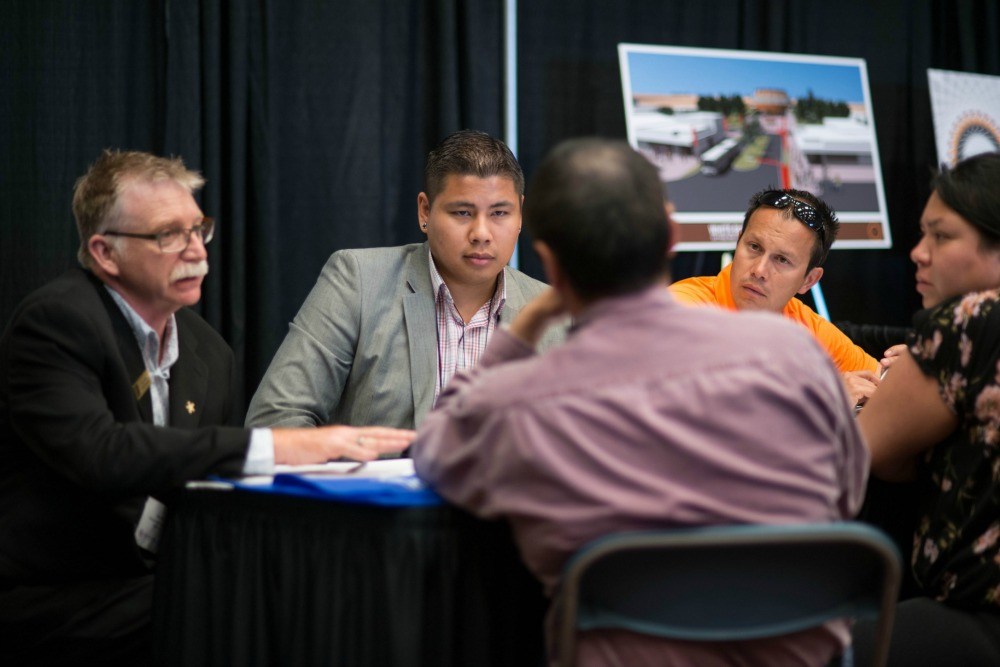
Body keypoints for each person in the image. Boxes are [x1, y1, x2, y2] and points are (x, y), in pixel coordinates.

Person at [412, 138, 868, 666]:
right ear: (671, 234)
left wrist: (524, 331)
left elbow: (435, 452)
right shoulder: (800, 357)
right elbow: (847, 493)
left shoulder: (524, 399)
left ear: (548, 262)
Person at [0, 150, 413, 665]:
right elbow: (101, 453)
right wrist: (281, 445)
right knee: (243, 617)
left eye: (199, 230)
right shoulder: (58, 321)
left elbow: (203, 485)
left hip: (162, 576)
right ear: (105, 253)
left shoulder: (208, 352)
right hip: (61, 591)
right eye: (167, 235)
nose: (196, 252)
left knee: (309, 597)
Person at [245, 129, 557, 432]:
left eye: (500, 213)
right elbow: (275, 417)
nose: (481, 234)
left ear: (520, 216)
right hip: (375, 485)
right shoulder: (358, 281)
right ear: (425, 210)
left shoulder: (554, 314)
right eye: (462, 212)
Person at [852, 152, 1000, 666]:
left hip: (975, 616)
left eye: (941, 236)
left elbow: (868, 448)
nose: (918, 253)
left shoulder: (972, 318)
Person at [669, 188, 881, 406]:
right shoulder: (683, 308)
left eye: (781, 260)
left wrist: (911, 367)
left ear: (808, 280)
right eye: (754, 247)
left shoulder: (807, 328)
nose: (759, 270)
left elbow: (881, 385)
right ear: (738, 242)